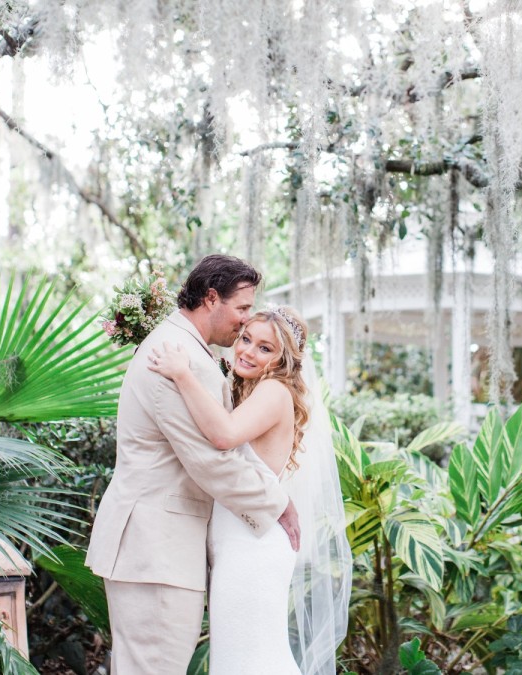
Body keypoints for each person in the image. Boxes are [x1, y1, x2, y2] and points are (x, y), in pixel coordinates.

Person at [85, 255, 301, 674]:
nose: (244, 322)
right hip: (154, 550)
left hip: (160, 550)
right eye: (241, 309)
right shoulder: (176, 354)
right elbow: (210, 460)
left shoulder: (185, 351)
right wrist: (277, 502)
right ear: (211, 298)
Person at [147, 306, 351, 675]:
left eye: (264, 348)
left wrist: (182, 374)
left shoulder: (274, 391)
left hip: (253, 547)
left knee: (250, 660)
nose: (247, 352)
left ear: (282, 360)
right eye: (245, 339)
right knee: (243, 657)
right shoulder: (252, 391)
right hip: (239, 540)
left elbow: (223, 435)